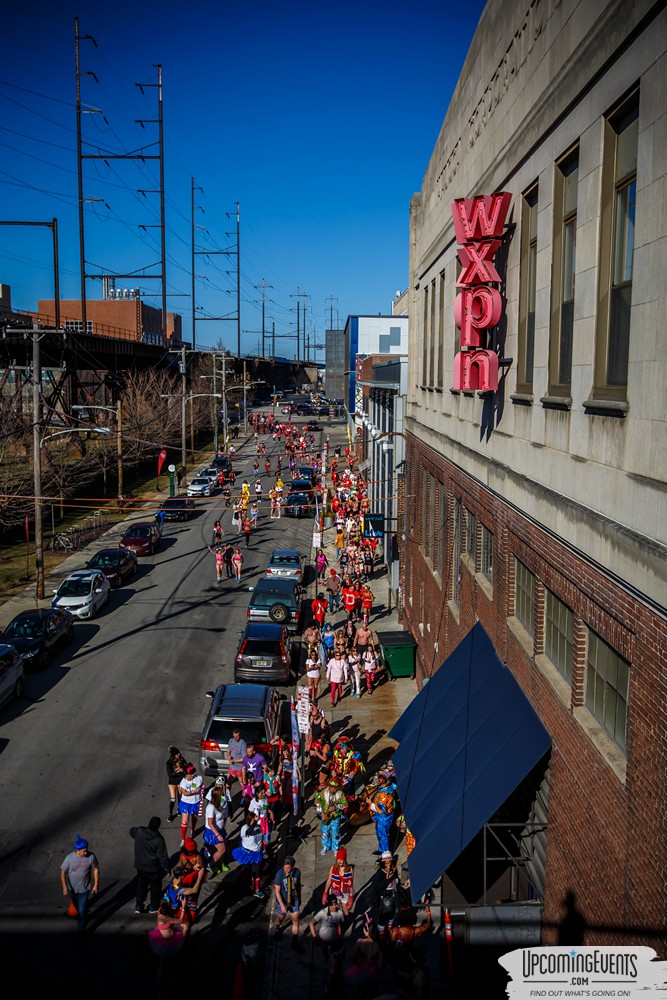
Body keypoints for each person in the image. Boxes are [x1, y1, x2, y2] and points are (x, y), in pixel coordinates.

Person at [130, 816, 170, 915]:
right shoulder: (159, 839)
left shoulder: (139, 832)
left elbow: (132, 831)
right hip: (153, 867)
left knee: (141, 886)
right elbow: (163, 856)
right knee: (155, 888)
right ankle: (153, 906)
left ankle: (139, 906)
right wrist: (167, 869)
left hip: (140, 866)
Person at [60, 835, 99, 933]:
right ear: (77, 850)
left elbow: (96, 869)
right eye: (84, 851)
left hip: (84, 889)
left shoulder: (91, 856)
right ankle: (80, 913)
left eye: (87, 850)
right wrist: (64, 887)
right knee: (77, 906)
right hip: (72, 889)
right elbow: (62, 871)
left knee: (81, 911)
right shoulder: (69, 858)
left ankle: (80, 930)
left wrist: (95, 885)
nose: (86, 852)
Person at [231, 811, 265, 897]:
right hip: (247, 853)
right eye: (254, 820)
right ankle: (239, 882)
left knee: (256, 872)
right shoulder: (244, 828)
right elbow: (249, 832)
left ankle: (256, 889)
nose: (256, 821)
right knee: (245, 870)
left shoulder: (258, 827)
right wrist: (255, 822)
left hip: (256, 853)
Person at [273, 855, 303, 950]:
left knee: (296, 919)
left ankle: (294, 940)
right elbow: (277, 891)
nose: (286, 870)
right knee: (281, 917)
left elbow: (298, 885)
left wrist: (300, 897)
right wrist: (282, 905)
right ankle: (277, 927)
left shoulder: (297, 872)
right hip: (283, 900)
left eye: (288, 868)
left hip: (294, 900)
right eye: (285, 867)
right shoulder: (279, 874)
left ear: (293, 867)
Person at [314, 776, 348, 856]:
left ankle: (335, 848)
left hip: (335, 817)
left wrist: (336, 806)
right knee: (324, 833)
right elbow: (317, 802)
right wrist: (321, 812)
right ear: (330, 787)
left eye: (336, 788)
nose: (335, 790)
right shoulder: (323, 793)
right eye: (333, 788)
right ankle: (326, 846)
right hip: (325, 816)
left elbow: (345, 804)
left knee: (336, 833)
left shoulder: (340, 794)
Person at [322, 846, 355, 916]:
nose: (340, 861)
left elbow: (351, 883)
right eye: (338, 859)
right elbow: (329, 880)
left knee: (345, 908)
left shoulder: (350, 869)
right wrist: (325, 892)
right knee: (335, 908)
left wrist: (351, 896)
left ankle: (345, 923)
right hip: (335, 891)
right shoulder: (333, 868)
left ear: (345, 860)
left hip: (345, 892)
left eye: (341, 859)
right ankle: (337, 924)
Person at [204, 787, 229, 875]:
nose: (223, 795)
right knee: (222, 849)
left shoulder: (220, 804)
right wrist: (218, 835)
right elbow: (210, 823)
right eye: (221, 794)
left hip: (220, 829)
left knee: (224, 846)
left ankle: (220, 863)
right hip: (213, 832)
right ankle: (211, 864)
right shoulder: (211, 807)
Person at [178, 764, 203, 846]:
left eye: (193, 773)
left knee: (194, 818)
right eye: (190, 774)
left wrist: (202, 789)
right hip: (186, 803)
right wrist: (194, 792)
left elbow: (202, 785)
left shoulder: (198, 778)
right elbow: (184, 793)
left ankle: (193, 830)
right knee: (185, 821)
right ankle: (182, 839)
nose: (192, 775)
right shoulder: (183, 782)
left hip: (196, 802)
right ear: (186, 774)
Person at [165, 745, 187, 823]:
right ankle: (170, 814)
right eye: (177, 754)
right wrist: (177, 771)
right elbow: (170, 774)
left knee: (180, 796)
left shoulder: (182, 760)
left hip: (180, 780)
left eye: (179, 753)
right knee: (173, 799)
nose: (179, 755)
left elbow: (186, 768)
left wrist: (183, 770)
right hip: (172, 782)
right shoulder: (169, 763)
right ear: (174, 755)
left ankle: (179, 809)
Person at [226, 727, 248, 800]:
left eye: (237, 736)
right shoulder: (231, 741)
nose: (236, 738)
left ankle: (245, 798)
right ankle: (227, 797)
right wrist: (229, 757)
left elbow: (244, 758)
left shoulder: (242, 744)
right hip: (232, 767)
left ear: (240, 735)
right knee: (228, 783)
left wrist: (234, 760)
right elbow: (228, 751)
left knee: (242, 783)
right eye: (234, 736)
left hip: (239, 768)